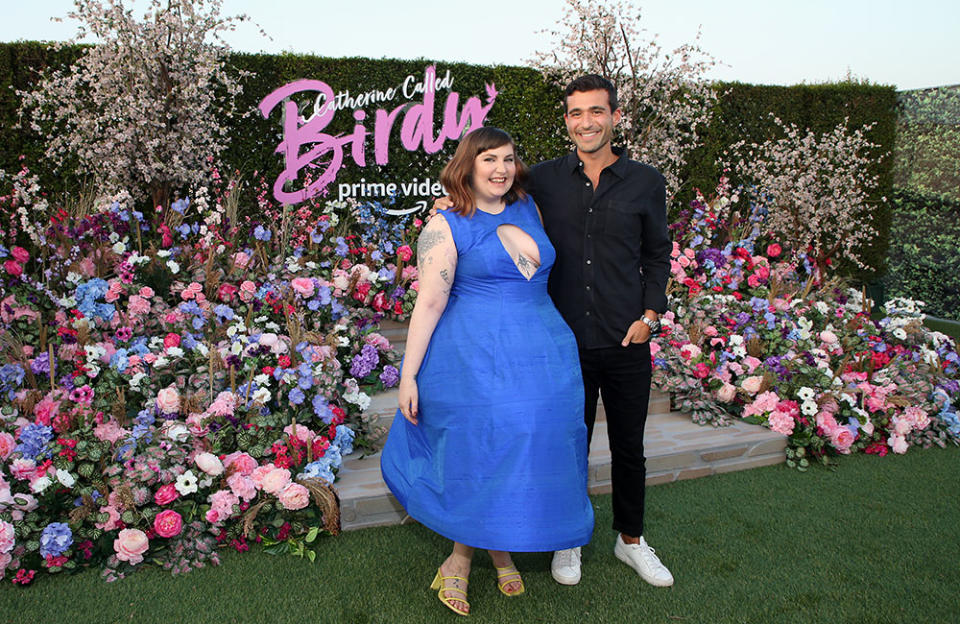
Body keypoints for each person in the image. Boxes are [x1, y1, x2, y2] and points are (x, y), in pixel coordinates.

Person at [435, 75, 674, 588]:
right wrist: (446, 210)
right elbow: (482, 201)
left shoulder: (646, 183)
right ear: (566, 120)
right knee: (567, 444)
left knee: (629, 447)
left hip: (626, 337)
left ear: (614, 116)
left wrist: (650, 316)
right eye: (575, 113)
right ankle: (568, 539)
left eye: (596, 111)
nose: (586, 122)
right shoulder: (540, 180)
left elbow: (657, 255)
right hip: (560, 345)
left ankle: (631, 540)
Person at [380, 126, 594, 617]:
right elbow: (429, 302)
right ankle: (464, 557)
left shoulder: (527, 207)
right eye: (488, 160)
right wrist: (408, 375)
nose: (500, 169)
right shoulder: (444, 223)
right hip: (473, 354)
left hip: (543, 349)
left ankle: (497, 547)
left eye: (508, 159)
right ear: (467, 166)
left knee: (529, 443)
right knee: (480, 448)